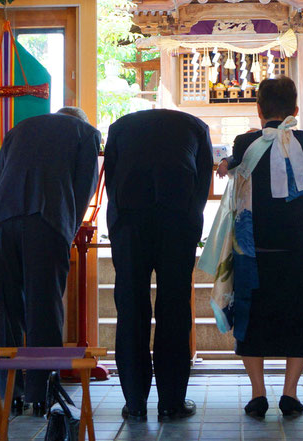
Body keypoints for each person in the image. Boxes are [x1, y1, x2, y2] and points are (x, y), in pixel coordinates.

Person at [0, 107, 100, 416]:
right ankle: (43, 395)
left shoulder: (18, 130)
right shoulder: (86, 133)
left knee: (6, 310)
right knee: (44, 308)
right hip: (44, 221)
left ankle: (10, 395)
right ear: (81, 120)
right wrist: (66, 231)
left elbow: (0, 179)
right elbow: (83, 189)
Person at [223, 76, 303, 418]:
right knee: (299, 316)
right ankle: (290, 394)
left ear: (259, 110)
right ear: (295, 110)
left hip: (254, 246)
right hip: (297, 243)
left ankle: (257, 394)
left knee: (252, 316)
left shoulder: (244, 142)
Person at [104, 109, 212, 422]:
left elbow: (112, 179)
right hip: (177, 217)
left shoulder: (120, 127)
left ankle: (134, 402)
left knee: (131, 307)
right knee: (174, 307)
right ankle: (171, 402)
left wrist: (123, 219)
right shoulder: (196, 126)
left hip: (129, 219)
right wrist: (191, 217)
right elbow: (202, 181)